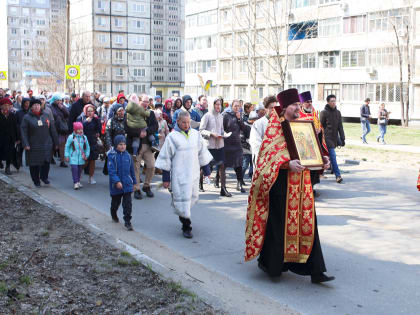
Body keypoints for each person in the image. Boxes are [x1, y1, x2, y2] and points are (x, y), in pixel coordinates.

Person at [245, 88, 334, 284]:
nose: (298, 108)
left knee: (310, 226)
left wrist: (323, 160)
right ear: (284, 107)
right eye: (295, 105)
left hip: (303, 185)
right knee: (278, 227)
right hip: (282, 186)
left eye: (299, 105)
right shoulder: (274, 127)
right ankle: (273, 266)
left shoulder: (303, 122)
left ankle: (316, 270)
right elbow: (267, 157)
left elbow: (312, 150)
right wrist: (286, 163)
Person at [156, 111, 213, 238]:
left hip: (193, 174)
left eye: (188, 122)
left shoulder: (195, 135)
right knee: (183, 202)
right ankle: (186, 226)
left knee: (191, 199)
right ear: (178, 122)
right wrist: (166, 179)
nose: (187, 125)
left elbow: (202, 153)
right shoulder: (172, 137)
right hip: (179, 175)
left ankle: (182, 213)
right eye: (184, 122)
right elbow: (166, 159)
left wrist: (207, 171)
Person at [20, 98, 58, 187]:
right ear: (31, 107)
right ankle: (36, 180)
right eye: (34, 105)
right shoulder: (27, 117)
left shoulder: (46, 115)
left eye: (38, 105)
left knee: (46, 162)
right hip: (33, 144)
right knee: (34, 163)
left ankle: (44, 177)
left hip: (46, 143)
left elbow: (52, 129)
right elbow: (23, 131)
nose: (37, 106)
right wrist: (26, 144)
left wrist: (56, 142)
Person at [298, 91, 329, 197]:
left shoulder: (314, 112)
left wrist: (319, 130)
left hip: (316, 145)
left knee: (315, 170)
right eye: (307, 102)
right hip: (304, 147)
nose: (310, 103)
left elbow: (319, 125)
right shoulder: (299, 114)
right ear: (302, 103)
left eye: (311, 101)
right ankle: (305, 190)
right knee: (306, 170)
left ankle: (312, 187)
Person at [129, 94, 158, 200]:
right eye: (144, 101)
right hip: (136, 144)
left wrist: (146, 131)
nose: (146, 104)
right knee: (136, 168)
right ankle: (136, 189)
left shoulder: (150, 113)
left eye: (147, 102)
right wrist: (138, 133)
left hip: (148, 145)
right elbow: (127, 127)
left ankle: (146, 186)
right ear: (139, 101)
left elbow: (155, 126)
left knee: (151, 166)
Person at [200, 98, 231, 197]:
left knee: (222, 166)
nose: (218, 106)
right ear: (212, 105)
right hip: (210, 146)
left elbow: (221, 130)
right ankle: (200, 184)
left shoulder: (221, 116)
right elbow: (201, 130)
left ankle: (223, 189)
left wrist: (225, 134)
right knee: (206, 166)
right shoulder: (207, 116)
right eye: (216, 104)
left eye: (220, 104)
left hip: (220, 144)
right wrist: (211, 134)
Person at [107, 135, 136, 231]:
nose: (123, 146)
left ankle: (127, 221)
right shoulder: (112, 156)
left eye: (124, 144)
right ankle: (113, 212)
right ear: (116, 145)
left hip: (127, 184)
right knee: (116, 202)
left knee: (128, 204)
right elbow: (111, 171)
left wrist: (134, 182)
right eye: (120, 144)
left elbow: (132, 170)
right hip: (117, 185)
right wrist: (117, 181)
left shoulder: (128, 156)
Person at [223, 100, 250, 193]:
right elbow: (223, 128)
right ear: (232, 106)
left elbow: (243, 128)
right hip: (227, 143)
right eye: (235, 106)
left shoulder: (240, 115)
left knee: (239, 164)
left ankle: (239, 184)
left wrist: (239, 119)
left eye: (238, 106)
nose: (237, 108)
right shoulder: (226, 115)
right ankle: (220, 182)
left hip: (237, 143)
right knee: (224, 165)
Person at [320, 95, 345, 184]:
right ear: (328, 102)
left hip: (335, 137)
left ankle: (326, 170)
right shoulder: (324, 112)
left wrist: (342, 138)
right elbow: (321, 126)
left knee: (329, 156)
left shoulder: (338, 112)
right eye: (331, 101)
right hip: (326, 138)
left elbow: (340, 126)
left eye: (335, 101)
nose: (333, 102)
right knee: (333, 157)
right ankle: (338, 176)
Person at [249, 95, 277, 169]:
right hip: (262, 161)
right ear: (266, 108)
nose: (274, 110)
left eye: (275, 108)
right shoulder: (258, 123)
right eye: (271, 108)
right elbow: (255, 143)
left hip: (276, 161)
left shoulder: (279, 122)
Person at [77, 104, 101, 184]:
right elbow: (78, 129)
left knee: (92, 160)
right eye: (88, 111)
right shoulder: (81, 118)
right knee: (85, 160)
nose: (90, 113)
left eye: (92, 111)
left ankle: (91, 177)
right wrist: (86, 122)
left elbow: (99, 128)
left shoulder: (95, 119)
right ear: (85, 111)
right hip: (84, 142)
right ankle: (78, 174)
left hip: (93, 141)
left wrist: (97, 119)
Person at [64, 122, 90, 190]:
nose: (80, 130)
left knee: (79, 170)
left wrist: (87, 155)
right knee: (74, 169)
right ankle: (75, 182)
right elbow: (67, 146)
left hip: (81, 157)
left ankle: (78, 181)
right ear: (75, 130)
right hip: (73, 156)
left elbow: (87, 147)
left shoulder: (84, 137)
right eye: (78, 129)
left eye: (81, 129)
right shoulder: (71, 137)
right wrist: (66, 155)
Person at [0, 98, 19, 175]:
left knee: (9, 153)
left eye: (8, 105)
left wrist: (17, 138)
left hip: (10, 138)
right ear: (1, 106)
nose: (6, 107)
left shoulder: (12, 115)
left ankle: (7, 168)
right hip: (1, 138)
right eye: (5, 105)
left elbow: (16, 127)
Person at [50, 93, 70, 168]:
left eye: (60, 100)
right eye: (57, 100)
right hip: (55, 128)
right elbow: (55, 115)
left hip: (62, 128)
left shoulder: (62, 106)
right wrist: (60, 116)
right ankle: (50, 157)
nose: (59, 101)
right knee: (54, 145)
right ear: (54, 100)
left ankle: (62, 161)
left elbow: (67, 114)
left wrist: (62, 108)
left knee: (62, 145)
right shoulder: (51, 106)